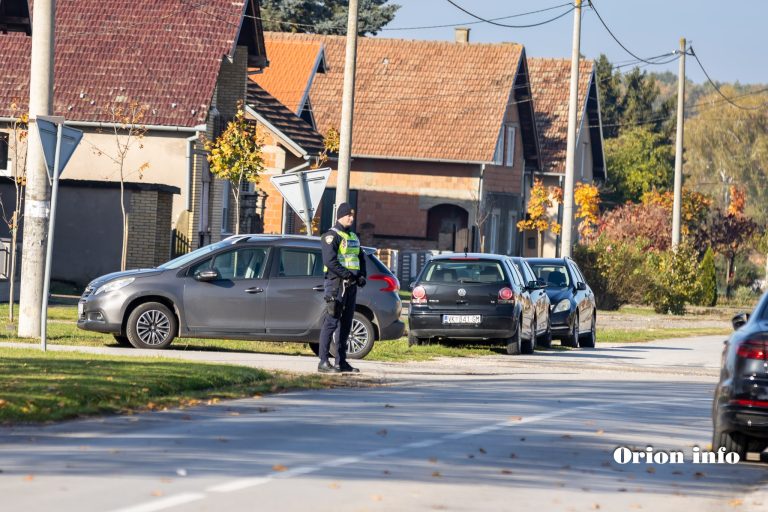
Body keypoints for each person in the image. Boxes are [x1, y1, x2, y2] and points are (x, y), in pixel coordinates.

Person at [317, 202, 366, 373]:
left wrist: (361, 275)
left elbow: (361, 257)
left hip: (350, 286)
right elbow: (330, 261)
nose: (352, 218)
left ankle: (341, 362)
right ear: (340, 216)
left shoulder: (352, 236)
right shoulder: (331, 236)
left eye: (353, 215)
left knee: (346, 324)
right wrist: (347, 274)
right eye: (348, 215)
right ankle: (323, 361)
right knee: (331, 322)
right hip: (336, 285)